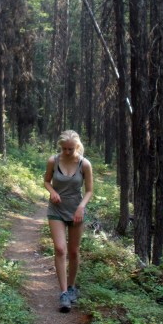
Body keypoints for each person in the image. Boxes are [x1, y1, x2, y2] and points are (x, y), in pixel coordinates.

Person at [44, 129, 94, 312]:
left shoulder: (84, 164)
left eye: (70, 149)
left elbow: (89, 190)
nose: (66, 152)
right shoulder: (53, 161)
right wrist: (53, 192)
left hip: (76, 212)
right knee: (59, 249)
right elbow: (47, 181)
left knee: (73, 252)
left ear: (77, 147)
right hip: (56, 209)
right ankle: (64, 293)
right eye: (64, 148)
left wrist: (81, 207)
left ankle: (72, 287)